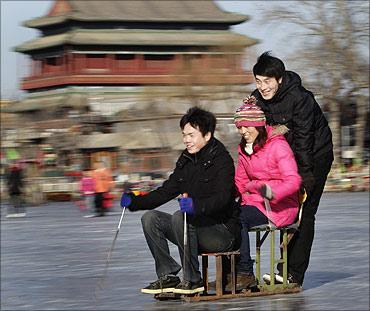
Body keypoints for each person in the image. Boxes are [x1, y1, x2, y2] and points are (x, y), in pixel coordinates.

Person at [120, 107, 241, 295]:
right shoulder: (185, 160)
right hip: (192, 229)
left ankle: (193, 279)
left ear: (207, 135)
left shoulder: (222, 161)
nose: (186, 140)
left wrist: (196, 206)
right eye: (184, 135)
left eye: (191, 135)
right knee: (151, 218)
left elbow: (223, 199)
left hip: (221, 233)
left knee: (180, 217)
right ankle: (168, 275)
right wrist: (135, 202)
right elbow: (165, 192)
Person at [249, 51, 334, 286]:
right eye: (259, 81)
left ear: (280, 79)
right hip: (287, 159)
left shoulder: (301, 98)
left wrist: (306, 175)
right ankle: (282, 269)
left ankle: (293, 272)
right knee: (285, 210)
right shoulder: (257, 98)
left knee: (304, 213)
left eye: (267, 81)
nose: (263, 87)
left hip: (316, 156)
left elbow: (305, 139)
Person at [231, 97, 302, 290]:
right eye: (239, 127)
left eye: (247, 126)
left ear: (259, 125)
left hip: (279, 205)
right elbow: (241, 182)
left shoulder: (278, 146)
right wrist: (222, 198)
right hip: (254, 202)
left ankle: (245, 273)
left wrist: (271, 192)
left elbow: (293, 180)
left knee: (237, 219)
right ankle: (230, 273)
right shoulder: (244, 149)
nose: (243, 131)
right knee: (224, 215)